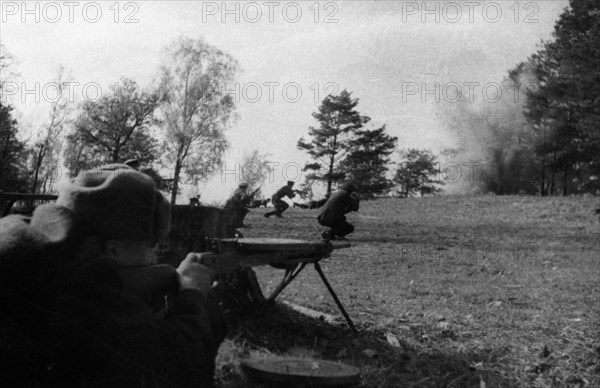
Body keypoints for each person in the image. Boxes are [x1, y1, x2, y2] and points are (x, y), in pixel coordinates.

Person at [0, 164, 226, 387]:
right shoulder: (85, 298)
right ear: (113, 250)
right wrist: (193, 295)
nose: (154, 260)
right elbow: (178, 369)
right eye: (152, 249)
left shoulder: (24, 250)